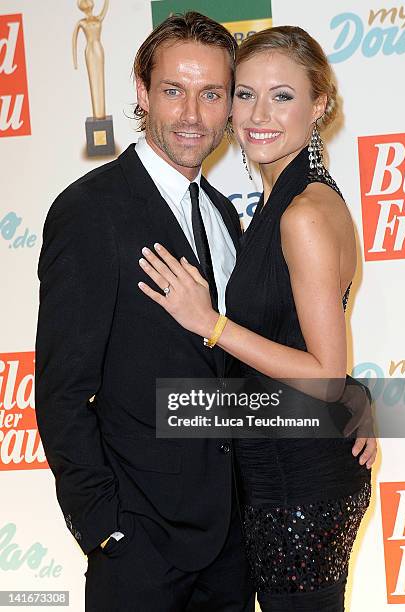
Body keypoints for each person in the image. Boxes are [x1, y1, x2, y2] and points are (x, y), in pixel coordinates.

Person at [137, 25, 377, 612]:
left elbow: (322, 372)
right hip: (276, 471)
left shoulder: (303, 214)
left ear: (318, 105)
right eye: (244, 94)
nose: (258, 114)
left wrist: (210, 322)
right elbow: (312, 355)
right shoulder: (277, 203)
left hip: (299, 485)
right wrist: (355, 393)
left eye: (282, 96)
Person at [35, 12, 255, 612]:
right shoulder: (90, 211)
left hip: (229, 542)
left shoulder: (223, 215)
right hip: (139, 547)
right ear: (141, 92)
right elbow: (61, 391)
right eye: (173, 91)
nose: (191, 114)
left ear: (230, 105)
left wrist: (338, 404)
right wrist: (104, 527)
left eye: (211, 94)